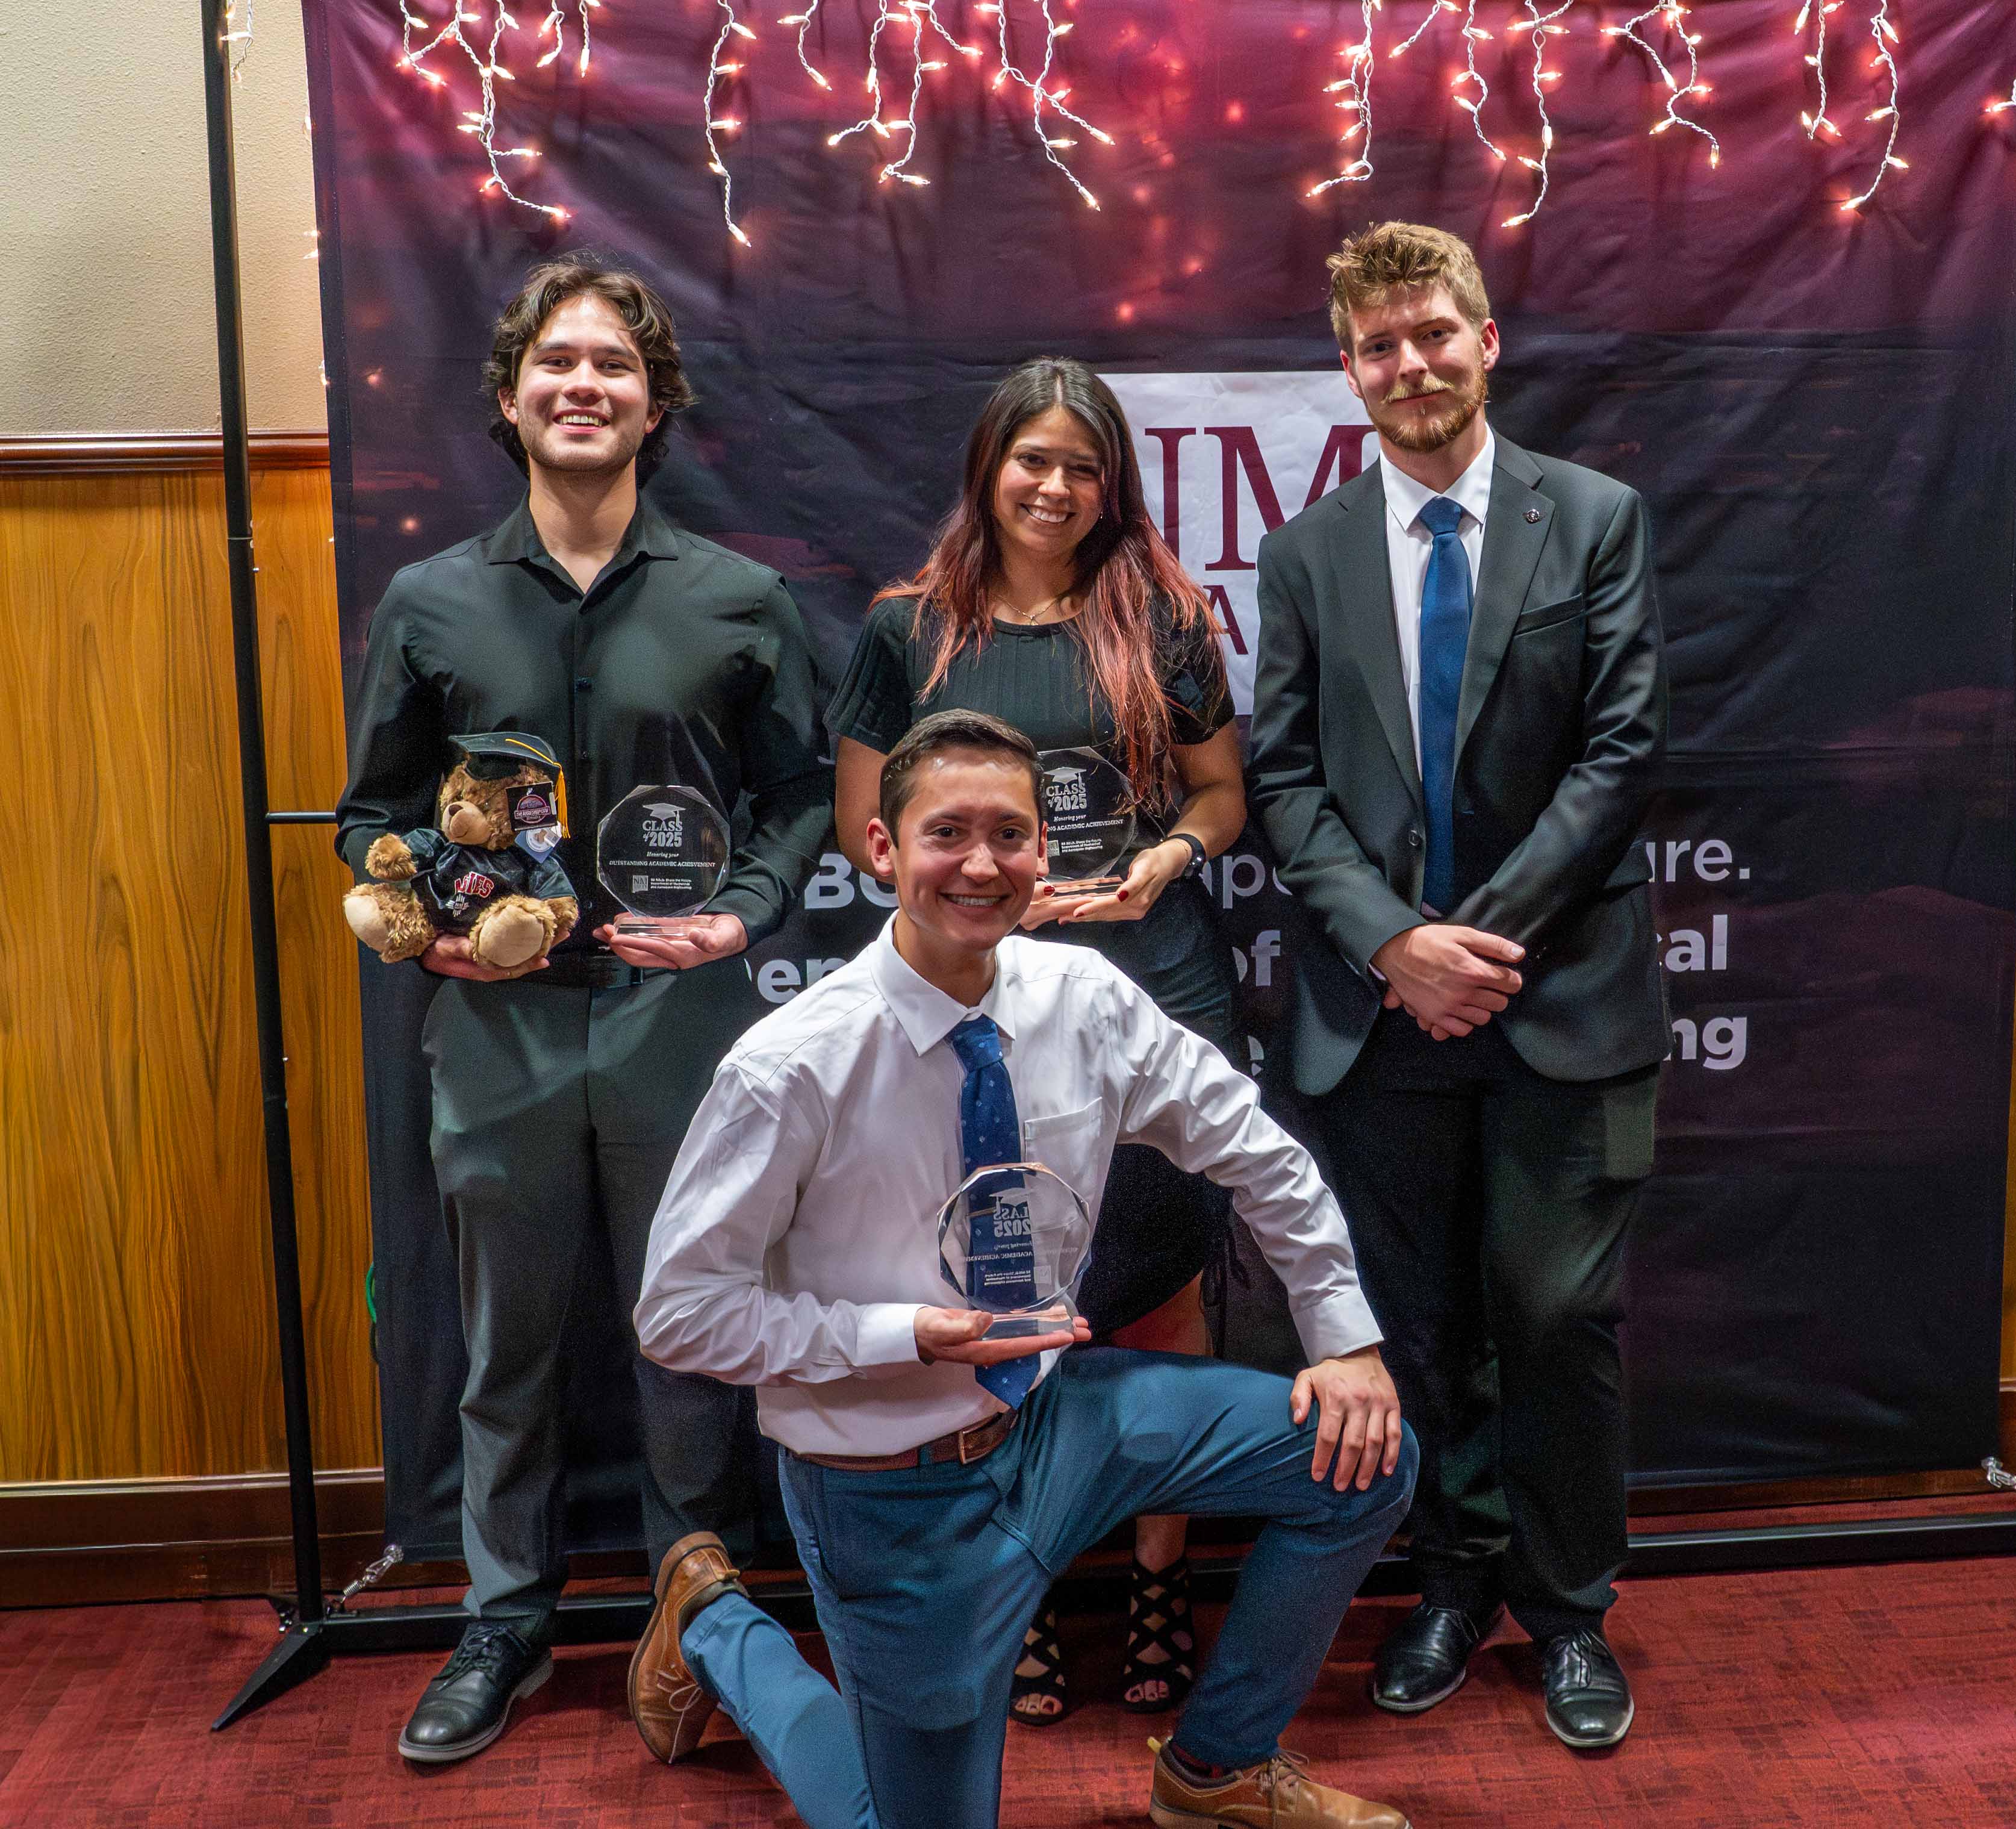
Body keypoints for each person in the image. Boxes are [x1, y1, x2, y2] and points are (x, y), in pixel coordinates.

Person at [633, 709, 1418, 1829]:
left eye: (1012, 833)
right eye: (947, 832)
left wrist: (1344, 1341)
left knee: (1365, 1459)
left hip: (1057, 1422)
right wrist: (901, 1332)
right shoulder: (791, 1068)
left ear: (1045, 855)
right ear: (880, 849)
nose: (983, 863)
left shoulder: (1081, 1000)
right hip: (892, 1487)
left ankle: (1216, 1769)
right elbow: (680, 1317)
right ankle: (713, 1620)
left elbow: (1261, 1153)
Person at [335, 256, 858, 1801]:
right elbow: (369, 812)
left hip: (681, 1020)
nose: (584, 385)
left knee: (691, 1333)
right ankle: (504, 1621)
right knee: (504, 1345)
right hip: (492, 1033)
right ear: (508, 397)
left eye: (614, 366)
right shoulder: (431, 599)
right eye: (556, 363)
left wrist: (746, 914)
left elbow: (795, 797)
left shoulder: (738, 599)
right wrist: (425, 917)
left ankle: (698, 1614)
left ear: (654, 400)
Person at [1248, 222, 1670, 1750]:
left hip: (1562, 998)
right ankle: (1449, 1576)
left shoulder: (1597, 518)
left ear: (1487, 340)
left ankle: (1570, 1612)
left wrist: (1471, 945)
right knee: (1412, 1327)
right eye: (1378, 345)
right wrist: (1392, 947)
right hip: (1378, 1016)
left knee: (1557, 1315)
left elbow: (1624, 751)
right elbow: (1284, 784)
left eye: (1435, 332)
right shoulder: (1302, 557)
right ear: (1348, 370)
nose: (1410, 364)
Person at [826, 357, 1245, 1723]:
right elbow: (859, 828)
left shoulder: (1164, 616)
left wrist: (1164, 861)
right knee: (994, 1290)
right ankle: (1011, 1586)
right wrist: (981, 888)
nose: (1056, 487)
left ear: (1110, 482)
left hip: (1155, 987)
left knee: (1162, 1290)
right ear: (987, 467)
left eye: (1083, 465)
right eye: (1033, 459)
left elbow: (1223, 792)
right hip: (971, 1006)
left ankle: (1157, 1583)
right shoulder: (908, 628)